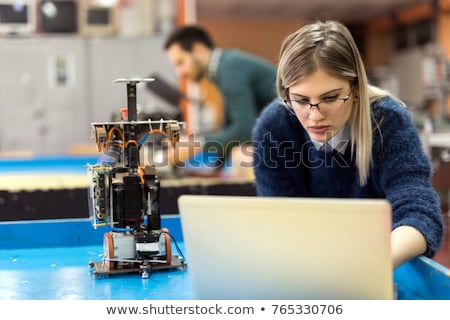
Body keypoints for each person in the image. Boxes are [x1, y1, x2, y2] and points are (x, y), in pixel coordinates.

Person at [252, 20, 444, 269]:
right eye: (300, 100)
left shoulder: (387, 121)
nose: (315, 115)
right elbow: (283, 222)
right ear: (286, 94)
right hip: (307, 263)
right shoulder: (274, 127)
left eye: (330, 98)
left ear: (355, 89)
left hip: (380, 260)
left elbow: (420, 212)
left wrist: (368, 267)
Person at [164, 25, 277, 169]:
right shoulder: (225, 66)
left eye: (181, 62)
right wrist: (216, 168)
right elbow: (230, 125)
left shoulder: (230, 68)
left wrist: (197, 144)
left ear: (198, 49)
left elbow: (245, 130)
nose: (179, 73)